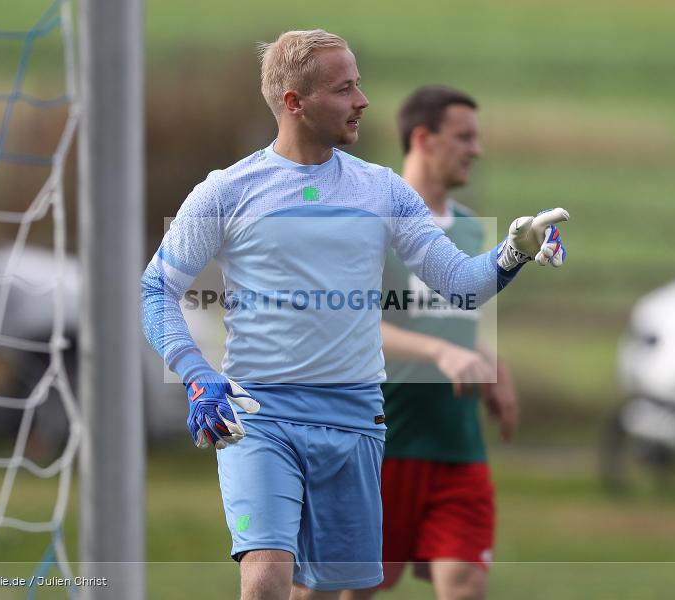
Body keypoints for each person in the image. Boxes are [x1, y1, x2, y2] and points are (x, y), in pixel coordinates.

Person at [141, 30, 569, 600]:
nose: (363, 101)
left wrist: (514, 251)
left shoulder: (382, 190)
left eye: (359, 84)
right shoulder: (225, 191)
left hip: (355, 419)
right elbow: (155, 291)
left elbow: (461, 286)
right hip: (257, 414)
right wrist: (199, 375)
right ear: (294, 102)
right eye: (345, 89)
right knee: (266, 576)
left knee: (330, 593)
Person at [341, 86, 520, 600]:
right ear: (423, 138)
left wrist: (490, 363)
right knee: (349, 591)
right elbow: (353, 324)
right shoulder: (371, 221)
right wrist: (440, 353)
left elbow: (458, 321)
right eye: (463, 137)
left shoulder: (469, 230)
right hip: (380, 447)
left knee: (465, 586)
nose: (476, 150)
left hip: (457, 448)